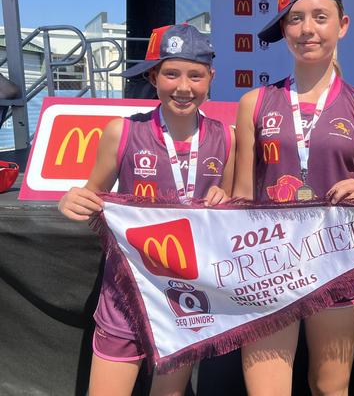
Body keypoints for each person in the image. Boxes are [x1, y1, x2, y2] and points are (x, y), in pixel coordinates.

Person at [233, 0, 354, 396]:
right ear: (284, 29)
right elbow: (242, 196)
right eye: (295, 18)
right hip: (267, 266)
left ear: (343, 25)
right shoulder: (254, 103)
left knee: (329, 389)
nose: (307, 29)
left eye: (320, 17)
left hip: (337, 266)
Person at [58, 24, 234, 396]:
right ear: (153, 76)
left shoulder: (227, 137)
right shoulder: (121, 132)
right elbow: (93, 197)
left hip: (186, 302)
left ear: (210, 78)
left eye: (195, 75)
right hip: (125, 294)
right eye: (171, 73)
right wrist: (71, 200)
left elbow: (233, 212)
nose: (183, 87)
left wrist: (227, 201)